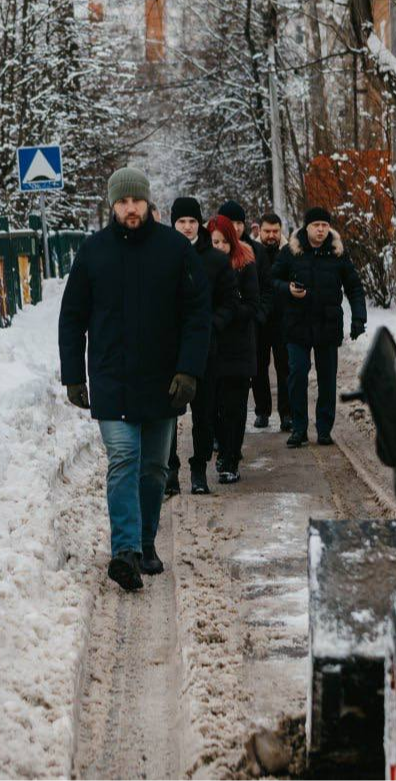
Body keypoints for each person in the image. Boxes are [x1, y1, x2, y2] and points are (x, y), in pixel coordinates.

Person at [58, 167, 211, 592]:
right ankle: (124, 550)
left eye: (136, 201)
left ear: (148, 203)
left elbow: (198, 315)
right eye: (122, 202)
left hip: (163, 380)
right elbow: (72, 318)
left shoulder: (175, 250)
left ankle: (145, 544)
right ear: (113, 205)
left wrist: (189, 369)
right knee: (123, 458)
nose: (130, 208)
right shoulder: (93, 252)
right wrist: (73, 375)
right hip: (111, 377)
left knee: (154, 468)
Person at [272, 207, 367, 448]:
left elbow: (354, 287)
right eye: (316, 225)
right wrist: (288, 289)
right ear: (307, 227)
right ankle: (299, 428)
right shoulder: (291, 251)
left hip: (327, 323)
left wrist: (359, 318)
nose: (321, 229)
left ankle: (324, 429)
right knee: (297, 375)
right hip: (297, 323)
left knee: (327, 379)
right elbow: (272, 281)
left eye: (325, 225)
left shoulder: (337, 253)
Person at [166, 197, 240, 496]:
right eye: (181, 222)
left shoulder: (215, 260)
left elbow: (230, 302)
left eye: (192, 222)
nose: (186, 227)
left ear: (200, 224)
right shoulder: (162, 256)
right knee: (167, 413)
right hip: (169, 348)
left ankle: (199, 469)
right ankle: (170, 471)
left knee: (204, 413)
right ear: (173, 224)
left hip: (206, 348)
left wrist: (212, 324)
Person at [206, 215, 260, 484]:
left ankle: (231, 458)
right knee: (214, 405)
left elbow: (253, 306)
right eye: (214, 241)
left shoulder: (245, 264)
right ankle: (222, 451)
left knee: (235, 408)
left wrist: (230, 306)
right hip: (213, 346)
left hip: (238, 345)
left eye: (224, 242)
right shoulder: (201, 264)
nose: (219, 247)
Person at [251, 212, 291, 432]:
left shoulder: (289, 251)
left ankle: (286, 414)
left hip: (283, 319)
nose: (271, 235)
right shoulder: (252, 251)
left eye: (275, 231)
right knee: (258, 367)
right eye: (267, 231)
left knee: (285, 367)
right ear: (260, 230)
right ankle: (262, 411)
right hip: (259, 319)